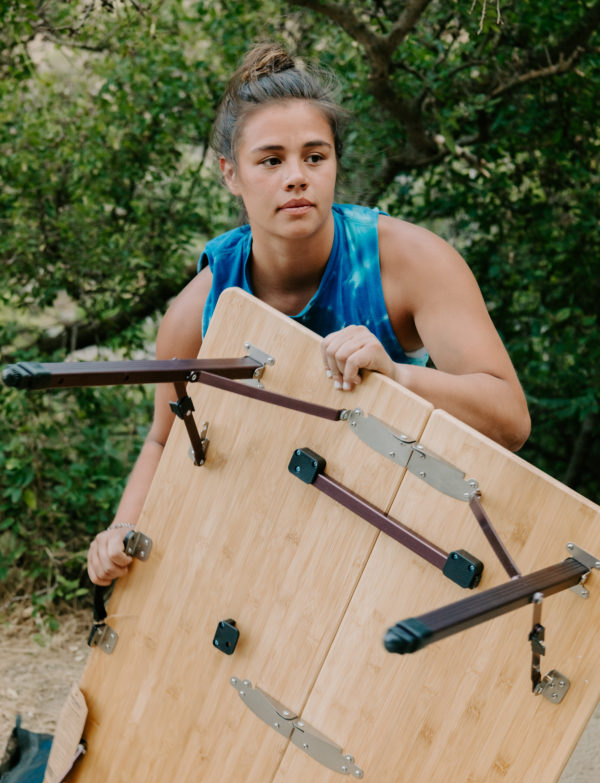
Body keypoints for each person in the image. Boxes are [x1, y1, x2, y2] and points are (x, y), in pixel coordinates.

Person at [87, 42, 530, 586]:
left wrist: (396, 376)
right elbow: (165, 438)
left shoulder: (410, 262)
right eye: (271, 160)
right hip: (264, 551)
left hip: (401, 539)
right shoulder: (196, 313)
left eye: (314, 157)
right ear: (231, 173)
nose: (296, 176)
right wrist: (121, 530)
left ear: (334, 163)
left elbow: (510, 420)